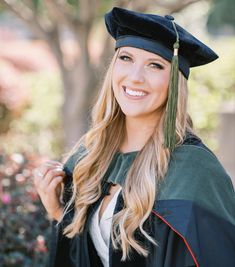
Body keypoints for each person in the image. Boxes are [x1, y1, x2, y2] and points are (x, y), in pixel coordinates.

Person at [33, 7, 235, 267]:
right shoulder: (90, 156)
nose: (135, 77)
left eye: (155, 65)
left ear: (175, 83)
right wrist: (59, 213)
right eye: (126, 58)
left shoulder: (194, 171)